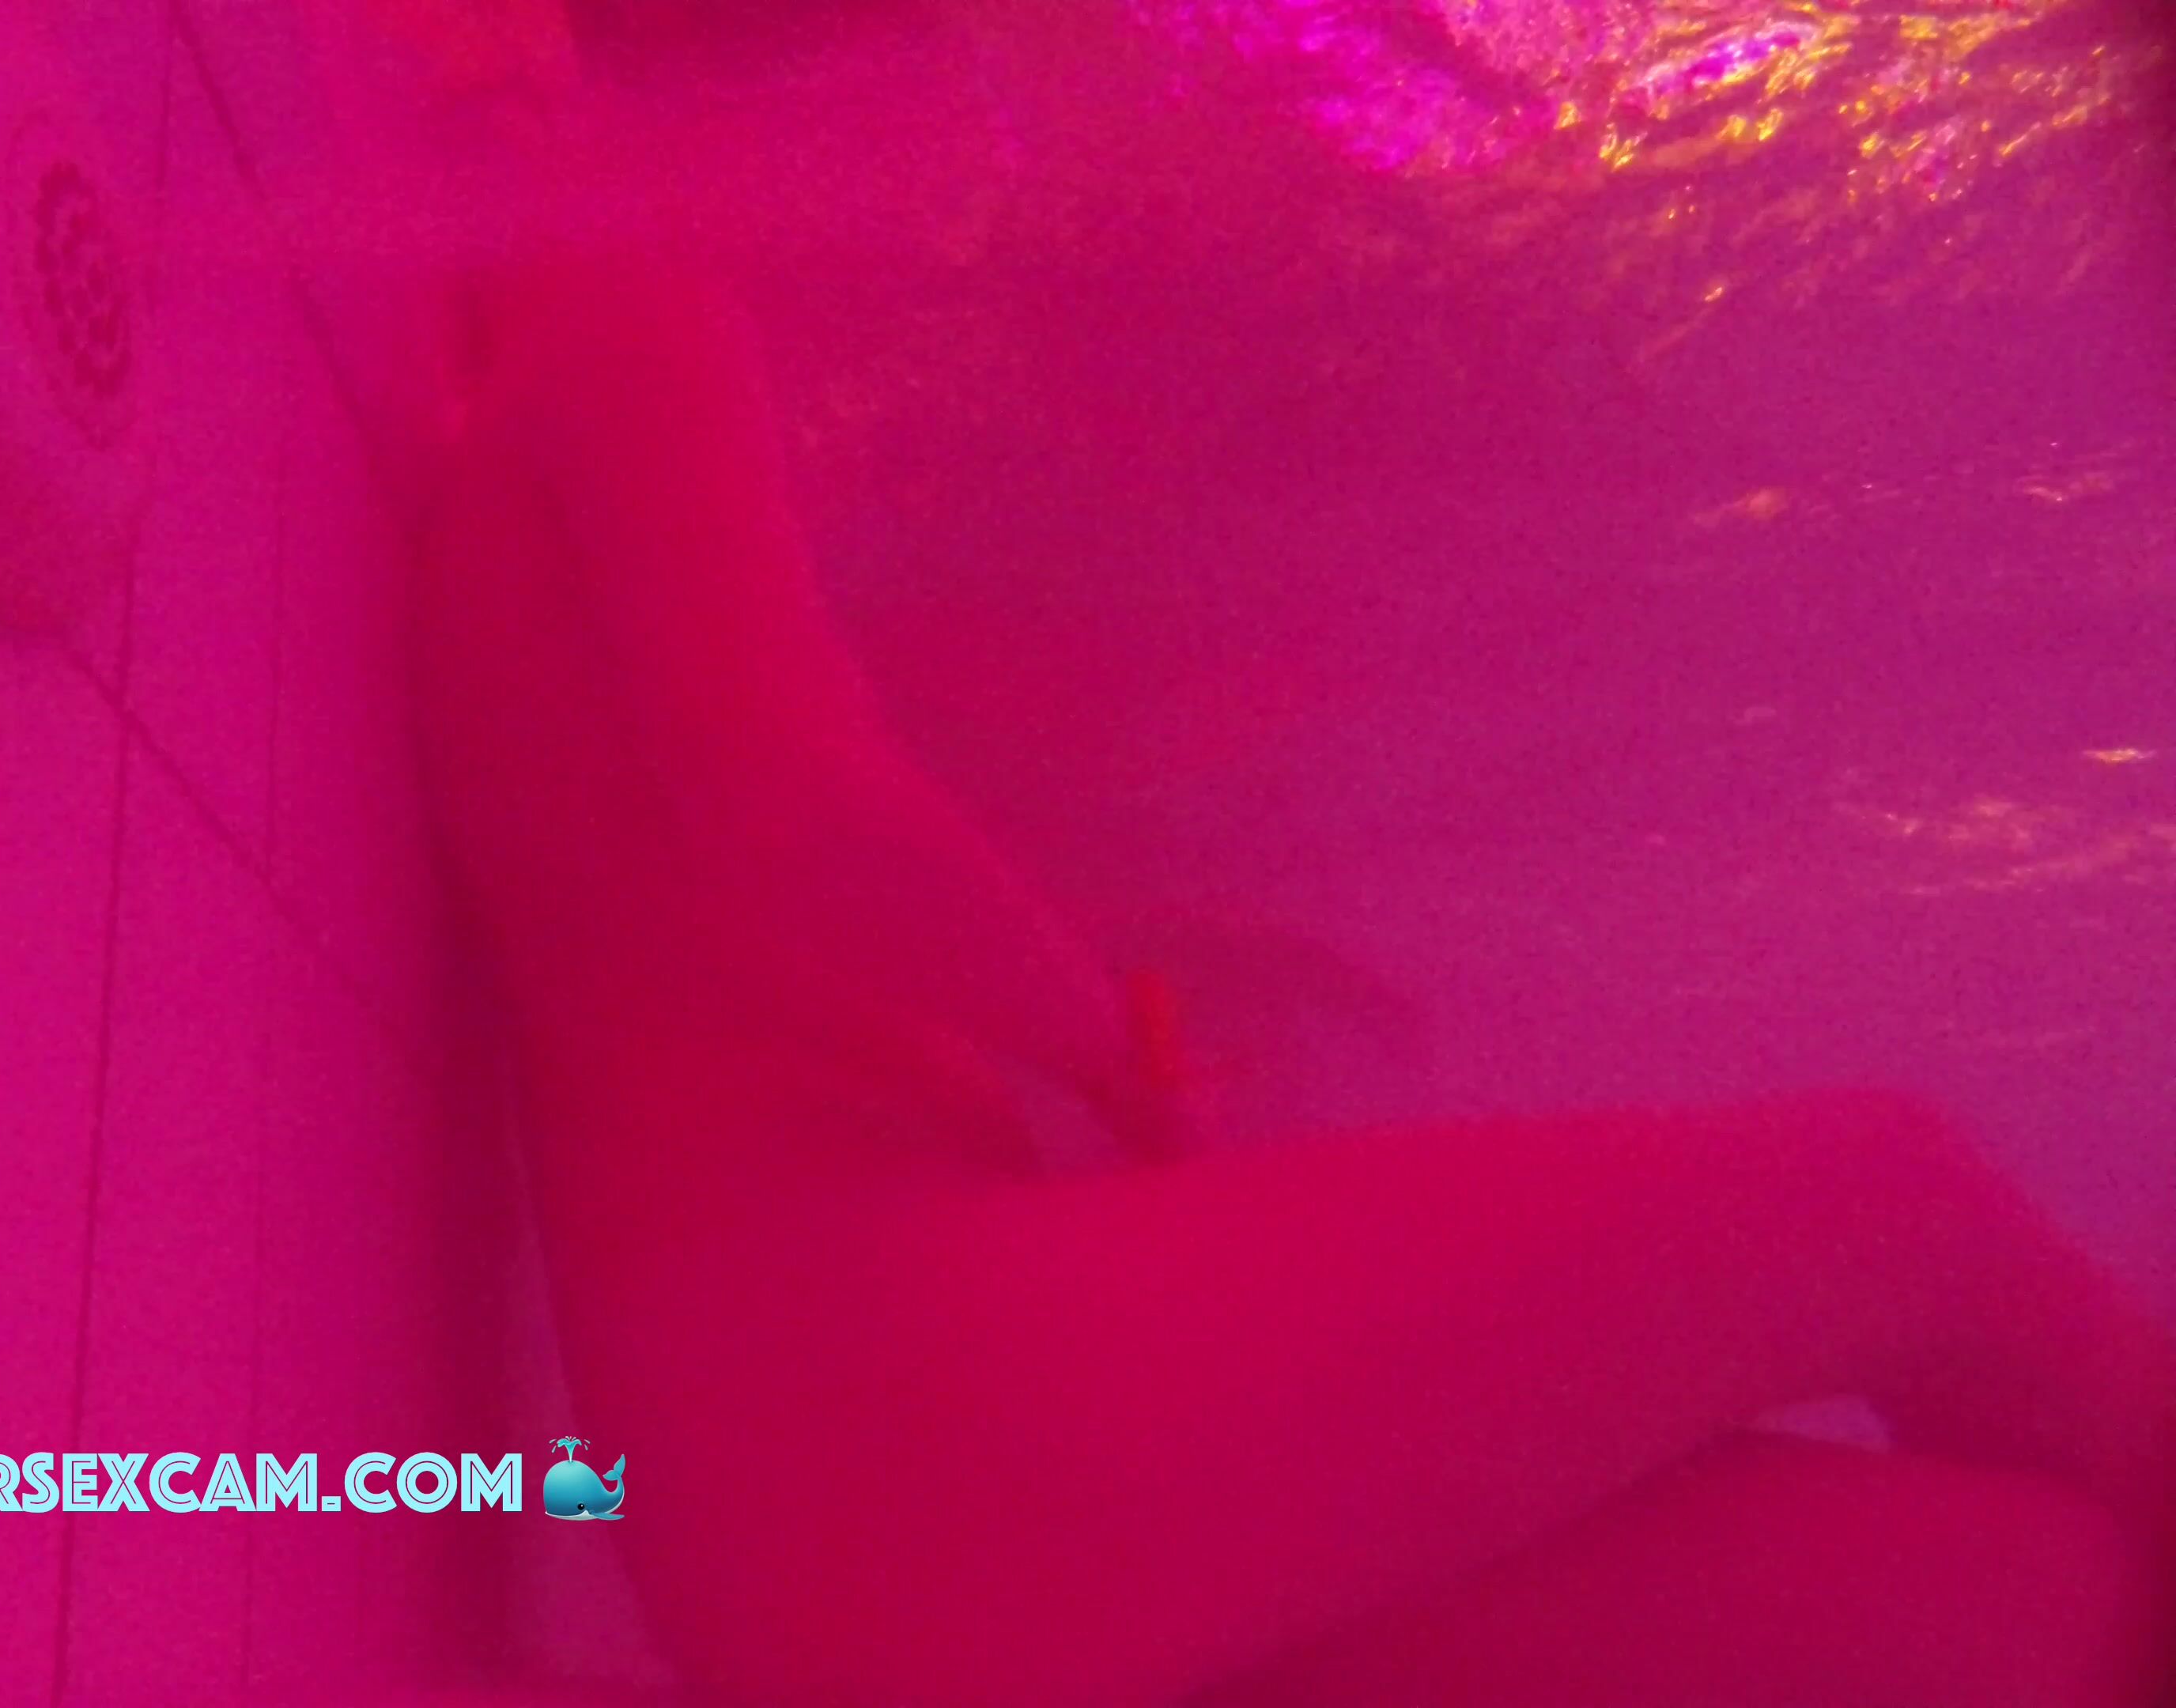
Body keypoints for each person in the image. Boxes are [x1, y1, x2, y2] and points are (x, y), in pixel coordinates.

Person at [387, 9, 2176, 1705]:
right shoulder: (641, 330)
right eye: (915, 112)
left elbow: (760, 856)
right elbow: (806, 814)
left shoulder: (539, 419)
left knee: (1994, 1603)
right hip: (880, 1408)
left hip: (824, 1534)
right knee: (1887, 1206)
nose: (947, 190)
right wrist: (1112, 1044)